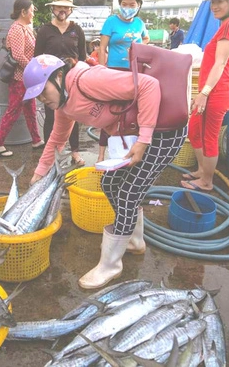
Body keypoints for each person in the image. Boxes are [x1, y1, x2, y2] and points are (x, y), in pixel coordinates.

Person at [24, 54, 187, 289]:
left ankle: (110, 265)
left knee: (128, 193)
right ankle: (134, 241)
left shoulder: (88, 80)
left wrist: (144, 139)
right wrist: (39, 173)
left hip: (163, 133)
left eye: (42, 91)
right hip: (137, 136)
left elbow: (149, 85)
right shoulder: (64, 105)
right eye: (36, 96)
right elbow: (57, 139)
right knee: (109, 183)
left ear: (58, 77)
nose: (41, 99)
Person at [180, 0, 229, 192]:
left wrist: (204, 93)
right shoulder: (226, 25)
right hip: (211, 92)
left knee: (209, 138)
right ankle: (202, 171)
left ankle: (206, 182)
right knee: (194, 130)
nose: (214, 6)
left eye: (220, 1)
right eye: (212, 2)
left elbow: (220, 63)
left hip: (216, 93)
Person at [97, 0, 150, 162]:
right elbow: (102, 48)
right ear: (120, 4)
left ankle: (127, 149)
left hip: (132, 72)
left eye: (132, 4)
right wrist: (102, 70)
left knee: (131, 112)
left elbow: (146, 38)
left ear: (138, 6)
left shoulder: (139, 23)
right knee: (110, 113)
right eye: (125, 3)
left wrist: (139, 47)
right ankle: (101, 155)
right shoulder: (111, 22)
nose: (128, 7)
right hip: (113, 71)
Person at [35, 0, 86, 167]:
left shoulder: (76, 30)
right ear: (53, 8)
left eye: (66, 7)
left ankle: (75, 151)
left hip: (72, 80)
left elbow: (83, 57)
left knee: (73, 115)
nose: (62, 10)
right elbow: (37, 57)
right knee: (51, 116)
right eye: (59, 7)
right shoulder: (44, 30)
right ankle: (51, 155)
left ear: (70, 9)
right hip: (51, 82)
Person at [0, 0, 44, 157]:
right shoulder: (17, 30)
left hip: (26, 79)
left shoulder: (25, 28)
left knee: (30, 109)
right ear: (23, 12)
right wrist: (34, 69)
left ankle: (36, 140)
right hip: (20, 79)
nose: (33, 13)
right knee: (13, 111)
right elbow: (18, 55)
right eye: (32, 10)